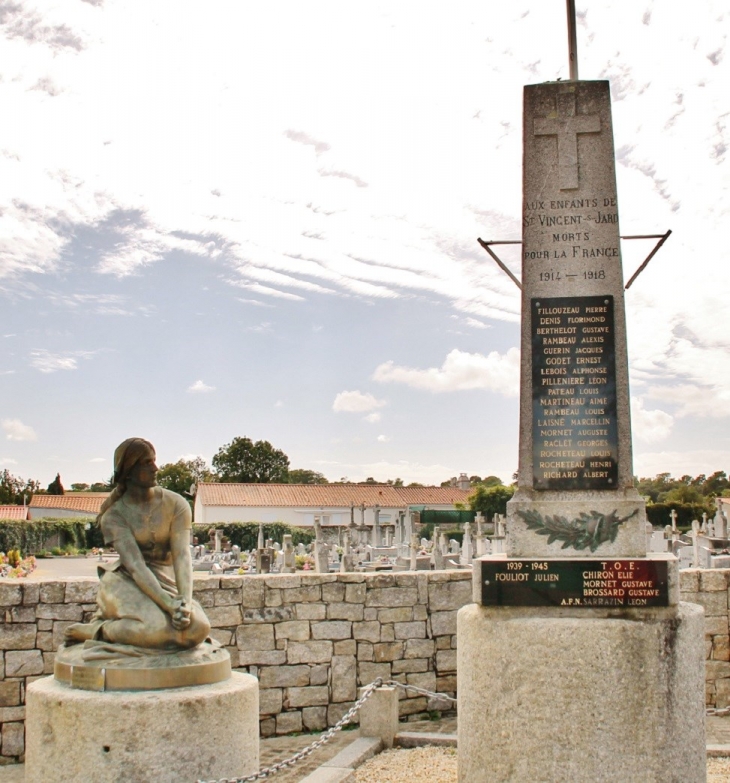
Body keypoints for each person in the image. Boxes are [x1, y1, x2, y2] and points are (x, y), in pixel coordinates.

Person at [65, 438, 210, 650]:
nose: (155, 468)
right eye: (146, 463)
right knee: (156, 629)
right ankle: (97, 631)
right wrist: (168, 605)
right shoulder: (114, 516)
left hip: (163, 578)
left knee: (199, 628)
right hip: (126, 580)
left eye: (154, 460)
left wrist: (184, 604)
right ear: (129, 471)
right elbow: (136, 566)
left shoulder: (176, 504)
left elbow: (182, 556)